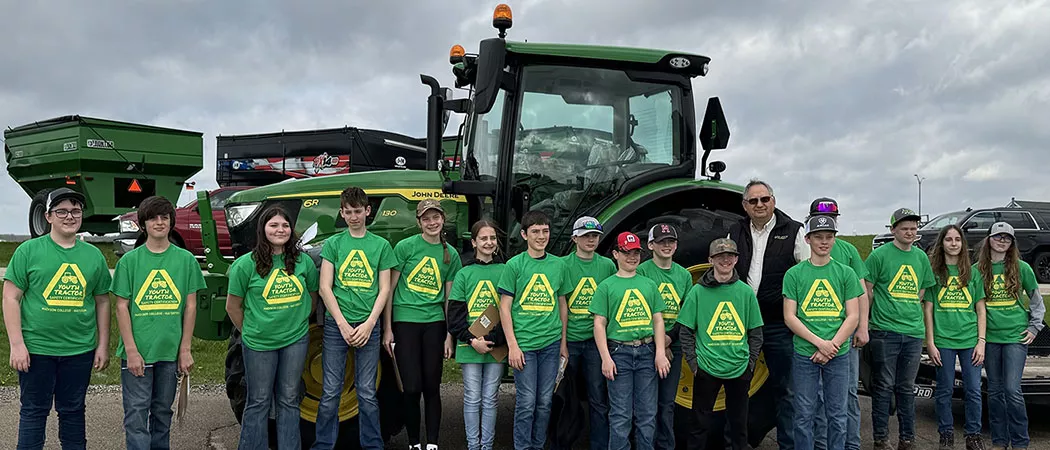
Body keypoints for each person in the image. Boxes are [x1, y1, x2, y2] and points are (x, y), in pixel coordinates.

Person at [3, 188, 113, 450]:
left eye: (75, 211)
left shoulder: (93, 256)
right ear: (48, 216)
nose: (69, 216)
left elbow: (102, 301)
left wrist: (102, 345)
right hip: (36, 350)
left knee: (73, 412)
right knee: (33, 411)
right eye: (61, 211)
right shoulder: (28, 251)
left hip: (79, 350)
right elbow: (10, 298)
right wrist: (17, 344)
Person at [112, 196, 206, 450]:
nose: (159, 222)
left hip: (170, 351)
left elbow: (190, 306)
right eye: (153, 217)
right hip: (138, 350)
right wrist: (131, 350)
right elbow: (122, 305)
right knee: (136, 414)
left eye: (164, 217)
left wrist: (185, 349)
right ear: (143, 224)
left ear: (172, 222)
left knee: (163, 412)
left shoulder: (186, 260)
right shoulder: (129, 262)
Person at [226, 205, 319, 450]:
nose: (280, 229)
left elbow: (312, 297)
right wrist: (251, 330)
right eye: (273, 225)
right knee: (258, 401)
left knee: (289, 399)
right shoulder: (246, 265)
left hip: (295, 341)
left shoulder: (303, 263)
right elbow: (233, 306)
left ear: (292, 230)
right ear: (263, 229)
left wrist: (296, 321)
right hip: (259, 343)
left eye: (285, 225)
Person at [313, 187, 396, 450]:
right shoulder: (334, 244)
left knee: (366, 392)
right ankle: (323, 444)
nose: (353, 217)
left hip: (368, 326)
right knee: (330, 393)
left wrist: (371, 323)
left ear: (368, 211)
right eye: (348, 212)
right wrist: (341, 323)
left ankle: (372, 444)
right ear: (341, 213)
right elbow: (325, 287)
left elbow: (384, 288)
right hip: (338, 327)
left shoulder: (381, 246)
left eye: (358, 211)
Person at [728, 179, 808, 449]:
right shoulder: (734, 231)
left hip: (777, 323)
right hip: (741, 324)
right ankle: (733, 444)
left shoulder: (794, 231)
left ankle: (789, 444)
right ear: (745, 206)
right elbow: (724, 270)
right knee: (735, 388)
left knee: (786, 390)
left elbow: (806, 276)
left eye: (765, 199)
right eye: (753, 201)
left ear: (773, 201)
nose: (759, 205)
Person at [383, 199, 462, 450]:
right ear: (419, 222)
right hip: (405, 321)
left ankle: (433, 443)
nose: (432, 222)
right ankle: (414, 442)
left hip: (434, 323)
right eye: (426, 218)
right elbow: (390, 290)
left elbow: (450, 299)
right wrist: (387, 328)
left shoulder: (451, 253)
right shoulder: (405, 247)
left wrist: (450, 335)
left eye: (435, 217)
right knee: (411, 386)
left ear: (443, 219)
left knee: (431, 385)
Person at [782, 215, 862, 450]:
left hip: (838, 354)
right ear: (808, 239)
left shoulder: (845, 273)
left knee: (837, 414)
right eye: (818, 237)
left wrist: (832, 346)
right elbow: (790, 316)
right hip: (805, 354)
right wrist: (820, 344)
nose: (824, 242)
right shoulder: (794, 274)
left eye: (829, 237)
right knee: (804, 414)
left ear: (835, 240)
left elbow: (853, 315)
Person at [678, 237, 763, 450]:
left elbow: (755, 332)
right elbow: (686, 330)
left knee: (738, 426)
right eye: (720, 256)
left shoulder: (745, 292)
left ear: (736, 260)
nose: (725, 260)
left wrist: (750, 364)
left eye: (730, 256)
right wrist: (694, 364)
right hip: (707, 369)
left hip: (739, 368)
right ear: (710, 259)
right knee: (698, 424)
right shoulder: (698, 291)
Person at [497, 209, 571, 450]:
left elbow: (562, 305)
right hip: (524, 345)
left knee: (544, 402)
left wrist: (562, 344)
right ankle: (522, 446)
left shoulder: (558, 265)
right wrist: (513, 346)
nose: (541, 236)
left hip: (550, 345)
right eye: (536, 231)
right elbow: (504, 308)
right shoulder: (514, 265)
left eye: (545, 231)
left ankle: (537, 446)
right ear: (524, 234)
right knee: (527, 402)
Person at [864, 208, 936, 450]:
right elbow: (868, 289)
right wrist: (867, 322)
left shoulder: (920, 258)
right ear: (893, 229)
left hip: (913, 332)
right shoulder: (879, 256)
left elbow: (923, 289)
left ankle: (907, 439)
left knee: (906, 387)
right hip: (884, 331)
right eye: (904, 228)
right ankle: (881, 439)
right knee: (883, 386)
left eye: (914, 228)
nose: (909, 232)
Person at [591, 231, 670, 450]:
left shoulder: (648, 285)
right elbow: (599, 324)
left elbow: (658, 320)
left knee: (647, 415)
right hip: (619, 353)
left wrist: (660, 353)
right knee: (620, 416)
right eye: (627, 253)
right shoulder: (606, 286)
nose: (632, 257)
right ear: (616, 254)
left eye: (636, 252)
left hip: (647, 351)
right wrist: (605, 358)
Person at [974, 222, 1044, 450]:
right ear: (989, 239)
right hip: (990, 338)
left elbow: (1036, 301)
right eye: (998, 236)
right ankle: (999, 441)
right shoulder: (977, 270)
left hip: (1015, 336)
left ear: (1012, 242)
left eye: (1007, 238)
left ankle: (1020, 441)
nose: (1002, 241)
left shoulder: (1022, 267)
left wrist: (1034, 328)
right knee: (994, 391)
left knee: (1012, 389)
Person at [807, 197, 870, 450]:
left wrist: (862, 326)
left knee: (848, 393)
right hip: (814, 336)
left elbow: (862, 291)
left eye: (834, 217)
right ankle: (821, 444)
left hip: (844, 335)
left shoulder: (848, 251)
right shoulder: (806, 249)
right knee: (819, 396)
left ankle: (850, 444)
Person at [553, 216, 615, 450]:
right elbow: (561, 305)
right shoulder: (563, 265)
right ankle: (562, 443)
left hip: (595, 344)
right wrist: (563, 343)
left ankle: (599, 445)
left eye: (595, 236)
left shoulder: (607, 266)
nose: (591, 240)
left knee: (598, 398)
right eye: (586, 235)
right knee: (563, 398)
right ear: (574, 238)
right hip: (570, 342)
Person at [923, 224, 986, 450]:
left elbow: (980, 309)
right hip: (943, 340)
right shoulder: (935, 274)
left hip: (970, 340)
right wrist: (930, 342)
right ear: (942, 243)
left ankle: (973, 435)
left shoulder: (973, 273)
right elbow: (928, 309)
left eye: (957, 240)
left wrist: (981, 341)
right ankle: (946, 434)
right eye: (948, 239)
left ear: (962, 243)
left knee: (973, 390)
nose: (953, 244)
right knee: (944, 389)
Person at [447, 220, 507, 450]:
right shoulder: (464, 274)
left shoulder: (506, 270)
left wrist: (492, 339)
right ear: (474, 242)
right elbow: (455, 315)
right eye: (483, 238)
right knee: (472, 397)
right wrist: (473, 340)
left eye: (492, 238)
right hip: (469, 344)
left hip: (496, 344)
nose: (489, 242)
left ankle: (487, 446)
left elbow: (509, 311)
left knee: (491, 398)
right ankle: (474, 446)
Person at [637, 223, 693, 450]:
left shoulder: (683, 275)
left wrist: (670, 339)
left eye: (670, 241)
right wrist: (660, 342)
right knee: (646, 404)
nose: (666, 245)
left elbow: (687, 313)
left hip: (674, 343)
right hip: (648, 344)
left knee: (667, 402)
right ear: (651, 245)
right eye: (661, 242)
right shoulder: (642, 272)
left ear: (676, 245)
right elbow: (639, 312)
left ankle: (666, 446)